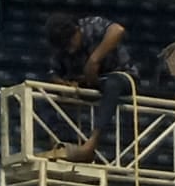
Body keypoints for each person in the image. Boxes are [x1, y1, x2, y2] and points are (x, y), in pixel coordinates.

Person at [44, 12, 135, 163]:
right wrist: (62, 84)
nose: (70, 50)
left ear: (76, 30)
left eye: (71, 43)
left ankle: (91, 144)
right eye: (65, 47)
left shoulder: (91, 25)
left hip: (120, 76)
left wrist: (94, 60)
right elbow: (53, 72)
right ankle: (56, 142)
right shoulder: (61, 48)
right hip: (86, 82)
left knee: (113, 84)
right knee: (43, 91)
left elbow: (118, 30)